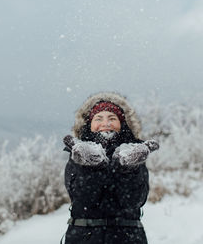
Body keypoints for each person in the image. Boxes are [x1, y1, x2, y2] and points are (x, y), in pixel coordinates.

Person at [62, 92, 159, 244]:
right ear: (89, 124)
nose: (106, 123)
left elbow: (135, 201)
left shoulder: (134, 152)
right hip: (83, 238)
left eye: (112, 118)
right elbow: (82, 200)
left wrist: (128, 169)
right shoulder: (78, 152)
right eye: (98, 118)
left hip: (128, 238)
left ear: (122, 124)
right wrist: (91, 168)